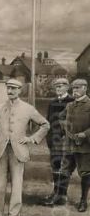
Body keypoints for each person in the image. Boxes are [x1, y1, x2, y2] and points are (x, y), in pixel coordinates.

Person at [0, 79, 49, 216]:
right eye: (8, 88)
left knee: (17, 185)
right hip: (1, 151)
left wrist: (31, 139)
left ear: (20, 91)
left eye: (14, 89)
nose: (11, 91)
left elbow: (45, 124)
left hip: (19, 151)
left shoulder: (28, 108)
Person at [44, 78, 74, 206]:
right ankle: (56, 192)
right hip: (54, 142)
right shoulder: (52, 103)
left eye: (61, 86)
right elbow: (48, 122)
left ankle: (62, 195)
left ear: (67, 88)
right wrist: (49, 138)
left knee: (65, 167)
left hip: (67, 141)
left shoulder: (72, 102)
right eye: (56, 87)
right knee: (55, 167)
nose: (58, 89)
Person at [63, 79, 90, 212]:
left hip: (85, 147)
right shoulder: (70, 106)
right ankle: (61, 197)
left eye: (78, 88)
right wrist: (65, 130)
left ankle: (83, 201)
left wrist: (85, 134)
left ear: (85, 88)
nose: (75, 91)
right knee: (65, 171)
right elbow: (62, 119)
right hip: (69, 146)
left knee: (85, 174)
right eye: (73, 88)